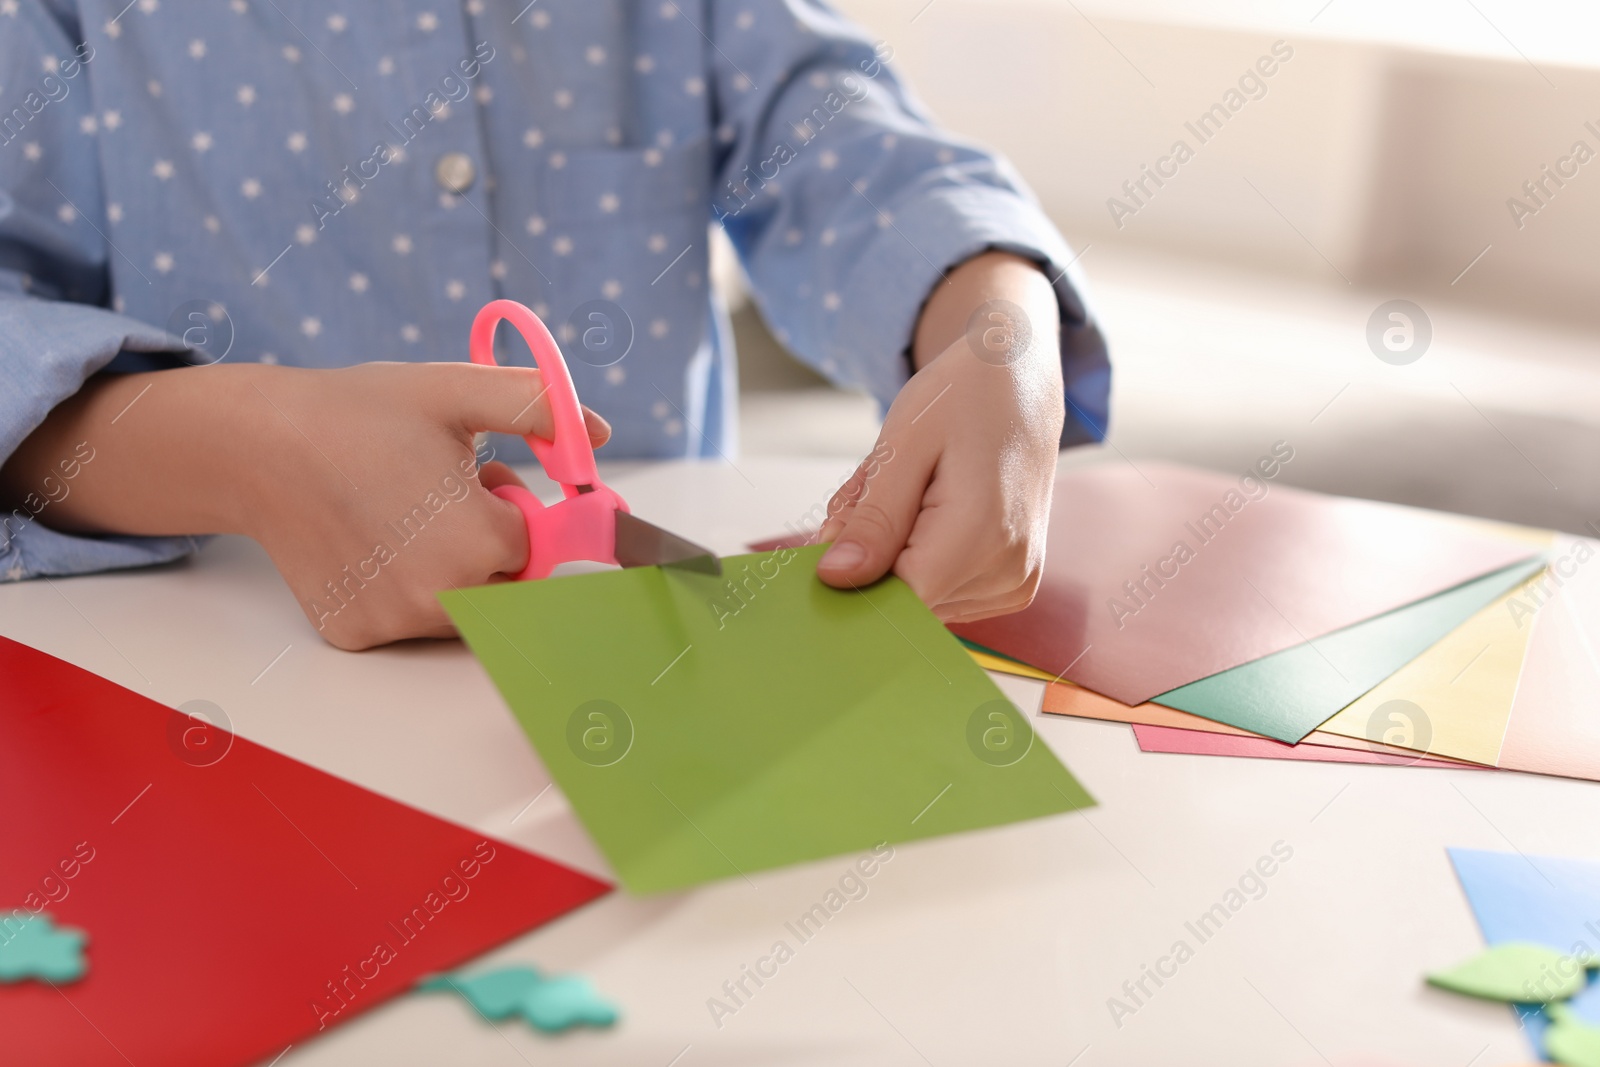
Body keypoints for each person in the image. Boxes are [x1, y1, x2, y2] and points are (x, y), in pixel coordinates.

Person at [0, 0, 1108, 649]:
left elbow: (855, 151)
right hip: (198, 684)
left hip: (659, 676)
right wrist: (246, 446)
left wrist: (995, 327)